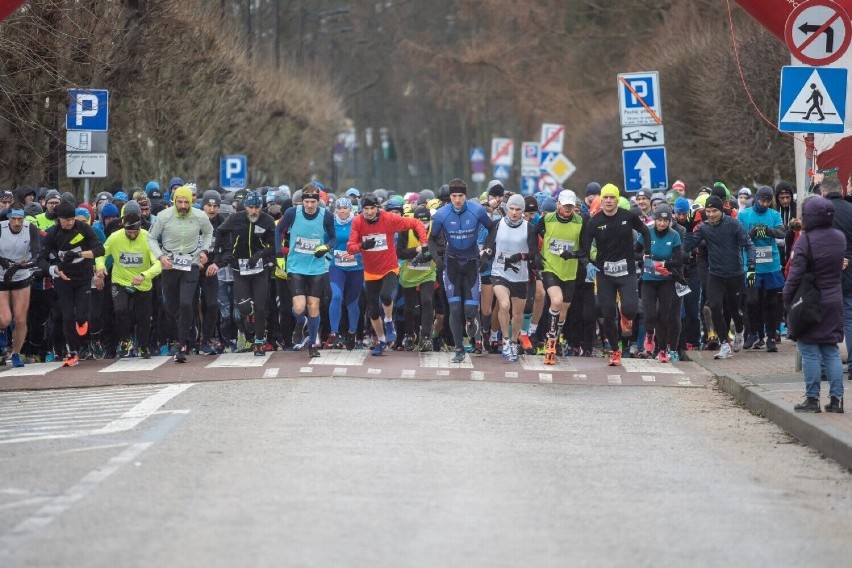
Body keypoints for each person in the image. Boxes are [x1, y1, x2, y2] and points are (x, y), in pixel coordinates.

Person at [784, 196, 845, 413]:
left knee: (809, 349)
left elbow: (795, 274)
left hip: (811, 302)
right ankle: (837, 400)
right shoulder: (840, 238)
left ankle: (812, 399)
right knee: (831, 349)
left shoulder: (805, 240)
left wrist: (787, 298)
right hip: (834, 300)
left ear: (809, 216)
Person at [347, 192, 428, 356]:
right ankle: (382, 340)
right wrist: (362, 246)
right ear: (362, 209)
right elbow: (350, 247)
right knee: (373, 311)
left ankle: (389, 321)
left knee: (385, 296)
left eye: (372, 208)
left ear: (378, 208)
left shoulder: (388, 218)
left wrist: (424, 243)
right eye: (366, 209)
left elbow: (416, 223)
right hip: (370, 272)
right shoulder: (357, 221)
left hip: (389, 268)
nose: (369, 212)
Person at [582, 183, 650, 366]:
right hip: (605, 274)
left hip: (626, 271)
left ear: (617, 199)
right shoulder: (594, 222)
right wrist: (587, 264)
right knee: (608, 313)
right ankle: (615, 351)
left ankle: (626, 317)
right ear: (601, 200)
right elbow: (584, 249)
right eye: (605, 197)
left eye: (612, 197)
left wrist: (648, 253)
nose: (609, 201)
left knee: (630, 309)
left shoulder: (628, 216)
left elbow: (645, 231)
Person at [147, 184, 214, 363]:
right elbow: (151, 238)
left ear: (192, 201)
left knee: (186, 303)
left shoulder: (200, 216)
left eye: (186, 202)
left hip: (190, 263)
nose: (183, 206)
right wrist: (160, 257)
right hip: (170, 264)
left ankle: (181, 345)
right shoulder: (163, 216)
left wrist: (204, 250)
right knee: (172, 308)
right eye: (180, 202)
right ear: (174, 201)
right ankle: (186, 326)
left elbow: (208, 233)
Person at [428, 178, 493, 363]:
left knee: (470, 310)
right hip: (452, 264)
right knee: (454, 309)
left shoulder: (477, 210)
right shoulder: (442, 215)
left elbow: (492, 229)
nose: (457, 200)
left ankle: (471, 320)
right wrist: (437, 259)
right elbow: (431, 240)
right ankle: (458, 349)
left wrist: (487, 251)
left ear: (466, 196)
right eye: (454, 196)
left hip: (472, 263)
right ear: (450, 197)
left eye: (461, 196)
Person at [684, 195, 754, 360]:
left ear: (721, 210)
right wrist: (688, 229)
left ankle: (739, 330)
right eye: (708, 211)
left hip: (735, 274)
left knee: (734, 310)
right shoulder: (704, 227)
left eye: (714, 210)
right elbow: (688, 247)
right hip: (715, 274)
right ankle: (724, 344)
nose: (711, 214)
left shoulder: (733, 224)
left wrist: (751, 267)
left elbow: (748, 244)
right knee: (714, 307)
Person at [37, 201, 105, 367]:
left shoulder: (83, 228)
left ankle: (82, 325)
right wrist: (53, 270)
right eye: (66, 220)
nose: (70, 222)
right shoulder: (53, 234)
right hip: (64, 279)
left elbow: (99, 249)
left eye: (72, 219)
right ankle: (72, 352)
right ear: (59, 219)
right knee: (67, 316)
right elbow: (40, 259)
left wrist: (80, 253)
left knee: (81, 316)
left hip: (83, 278)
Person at [213, 190, 276, 356]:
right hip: (239, 268)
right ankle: (249, 321)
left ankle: (260, 341)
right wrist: (225, 253)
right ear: (245, 207)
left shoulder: (267, 220)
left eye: (257, 207)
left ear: (261, 207)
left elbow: (275, 245)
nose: (253, 211)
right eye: (250, 207)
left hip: (260, 269)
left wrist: (260, 255)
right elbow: (220, 231)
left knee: (261, 306)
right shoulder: (236, 218)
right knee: (243, 307)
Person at [276, 183, 336, 358]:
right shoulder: (292, 213)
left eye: (313, 202)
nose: (309, 206)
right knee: (299, 306)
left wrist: (325, 247)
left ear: (318, 201)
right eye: (307, 202)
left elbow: (333, 238)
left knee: (313, 306)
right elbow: (279, 229)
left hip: (316, 267)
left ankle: (312, 343)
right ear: (302, 201)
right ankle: (300, 322)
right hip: (296, 266)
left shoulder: (326, 216)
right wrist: (279, 254)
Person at [95, 213, 162, 358]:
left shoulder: (147, 237)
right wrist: (100, 267)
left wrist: (145, 275)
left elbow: (158, 264)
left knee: (143, 317)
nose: (132, 235)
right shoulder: (115, 237)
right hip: (121, 280)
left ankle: (143, 346)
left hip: (142, 281)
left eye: (135, 232)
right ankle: (125, 340)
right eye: (129, 232)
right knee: (120, 310)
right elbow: (100, 253)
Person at [482, 194, 538, 361]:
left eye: (518, 209)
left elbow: (534, 254)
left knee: (518, 314)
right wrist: (485, 256)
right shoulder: (497, 225)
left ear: (523, 211)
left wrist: (520, 256)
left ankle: (514, 341)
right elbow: (488, 246)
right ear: (506, 209)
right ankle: (505, 341)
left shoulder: (529, 228)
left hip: (520, 275)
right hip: (499, 272)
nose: (514, 212)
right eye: (511, 209)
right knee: (504, 305)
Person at [535, 190, 586, 356]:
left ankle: (556, 338)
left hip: (569, 271)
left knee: (563, 310)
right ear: (558, 204)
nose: (567, 209)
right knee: (556, 301)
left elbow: (584, 248)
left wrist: (572, 254)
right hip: (550, 267)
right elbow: (532, 234)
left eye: (570, 206)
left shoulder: (580, 222)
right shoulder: (547, 219)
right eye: (565, 206)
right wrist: (535, 254)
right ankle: (550, 341)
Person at [737, 186, 786, 352]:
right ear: (756, 198)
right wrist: (752, 233)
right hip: (751, 266)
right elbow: (738, 237)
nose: (764, 204)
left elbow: (782, 232)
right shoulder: (744, 214)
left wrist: (767, 230)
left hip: (771, 266)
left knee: (772, 302)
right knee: (752, 301)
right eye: (761, 200)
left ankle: (771, 336)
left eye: (767, 201)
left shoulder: (774, 214)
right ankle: (754, 332)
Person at [637, 204, 682, 362]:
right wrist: (644, 258)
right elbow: (634, 252)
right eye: (659, 220)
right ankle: (649, 335)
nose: (662, 223)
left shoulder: (674, 235)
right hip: (648, 280)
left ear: (670, 221)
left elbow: (678, 259)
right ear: (654, 219)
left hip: (666, 281)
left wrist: (664, 264)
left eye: (665, 220)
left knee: (664, 316)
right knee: (650, 314)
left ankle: (662, 350)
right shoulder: (646, 233)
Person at [0, 203, 40, 367]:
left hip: (21, 274)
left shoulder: (30, 228)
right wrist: (4, 263)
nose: (17, 223)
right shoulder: (1, 228)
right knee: (5, 319)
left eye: (20, 219)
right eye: (14, 219)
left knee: (20, 319)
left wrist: (21, 265)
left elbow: (37, 254)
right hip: (1, 275)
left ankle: (16, 353)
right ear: (8, 218)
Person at [397, 205, 437, 352]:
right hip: (409, 274)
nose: (423, 226)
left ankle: (426, 336)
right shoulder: (405, 231)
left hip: (428, 272)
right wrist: (416, 250)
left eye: (426, 222)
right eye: (420, 223)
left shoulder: (435, 229)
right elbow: (399, 252)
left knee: (427, 301)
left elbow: (441, 248)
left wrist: (428, 252)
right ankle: (409, 334)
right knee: (409, 306)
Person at [327, 197, 363, 350]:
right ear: (335, 209)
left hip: (356, 268)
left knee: (352, 303)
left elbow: (365, 244)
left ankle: (352, 332)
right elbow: (325, 242)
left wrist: (356, 255)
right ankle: (334, 333)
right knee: (336, 296)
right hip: (337, 267)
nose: (342, 211)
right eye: (339, 208)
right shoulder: (331, 223)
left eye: (345, 208)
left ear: (350, 209)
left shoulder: (358, 223)